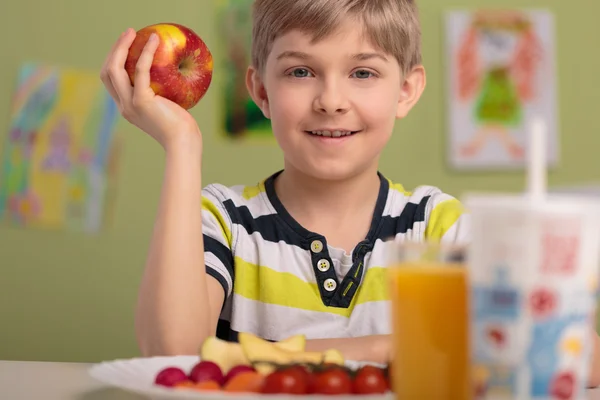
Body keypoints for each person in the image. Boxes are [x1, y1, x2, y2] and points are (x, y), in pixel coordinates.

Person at [99, 0, 600, 387]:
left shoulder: (441, 228)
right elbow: (172, 354)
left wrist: (296, 355)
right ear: (261, 91)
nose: (331, 101)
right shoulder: (222, 221)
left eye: (363, 73)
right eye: (300, 71)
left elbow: (571, 356)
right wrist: (182, 146)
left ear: (406, 90)